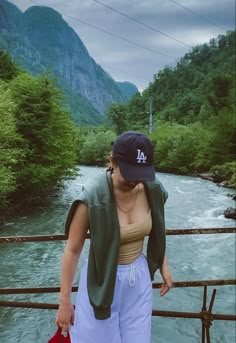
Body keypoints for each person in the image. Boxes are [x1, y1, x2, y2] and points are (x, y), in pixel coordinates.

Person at [56, 131, 173, 343]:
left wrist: (163, 264)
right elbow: (72, 251)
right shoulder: (91, 199)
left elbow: (158, 229)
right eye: (130, 172)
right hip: (100, 281)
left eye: (141, 172)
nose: (136, 180)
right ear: (113, 161)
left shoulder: (153, 190)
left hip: (138, 281)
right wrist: (64, 301)